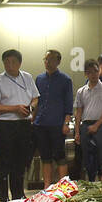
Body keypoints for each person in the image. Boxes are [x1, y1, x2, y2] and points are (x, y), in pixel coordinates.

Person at [0, 49, 38, 202]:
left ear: (19, 63)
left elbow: (35, 98)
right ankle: (3, 198)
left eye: (13, 62)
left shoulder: (27, 77)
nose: (10, 65)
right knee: (3, 162)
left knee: (20, 161)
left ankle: (18, 195)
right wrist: (14, 108)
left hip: (24, 124)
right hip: (5, 125)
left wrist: (31, 108)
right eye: (6, 62)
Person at [33, 49, 74, 187]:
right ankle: (47, 186)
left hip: (57, 123)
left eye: (50, 59)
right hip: (41, 123)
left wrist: (66, 123)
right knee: (45, 157)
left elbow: (68, 104)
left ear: (58, 61)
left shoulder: (65, 80)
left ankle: (62, 187)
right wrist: (33, 119)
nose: (47, 62)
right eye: (45, 59)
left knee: (60, 156)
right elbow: (37, 101)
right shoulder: (39, 79)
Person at [74, 62, 102, 183]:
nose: (93, 74)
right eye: (90, 72)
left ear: (99, 71)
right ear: (86, 74)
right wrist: (77, 132)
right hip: (85, 125)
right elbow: (78, 112)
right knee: (87, 159)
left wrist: (96, 125)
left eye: (95, 71)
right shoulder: (81, 91)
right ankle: (90, 185)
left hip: (101, 125)